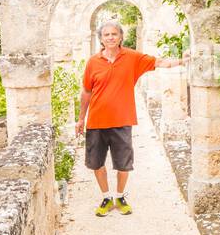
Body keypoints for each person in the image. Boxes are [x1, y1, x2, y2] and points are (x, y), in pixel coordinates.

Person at [75, 20, 184, 216]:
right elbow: (87, 91)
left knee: (123, 164)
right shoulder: (93, 62)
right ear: (101, 39)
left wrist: (183, 60)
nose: (110, 37)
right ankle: (106, 197)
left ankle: (120, 197)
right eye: (106, 35)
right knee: (96, 163)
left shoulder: (132, 57)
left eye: (114, 34)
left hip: (122, 120)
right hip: (96, 121)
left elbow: (161, 63)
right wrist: (81, 118)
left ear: (120, 37)